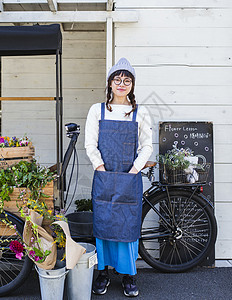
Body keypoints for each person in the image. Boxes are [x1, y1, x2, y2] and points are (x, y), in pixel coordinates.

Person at [84, 57, 153, 297]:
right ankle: (102, 272)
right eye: (117, 79)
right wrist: (100, 167)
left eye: (127, 80)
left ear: (132, 85)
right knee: (103, 225)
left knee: (127, 227)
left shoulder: (140, 113)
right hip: (104, 176)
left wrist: (134, 170)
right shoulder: (98, 110)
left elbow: (147, 146)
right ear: (110, 84)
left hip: (129, 178)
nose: (122, 84)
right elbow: (90, 144)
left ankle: (128, 275)